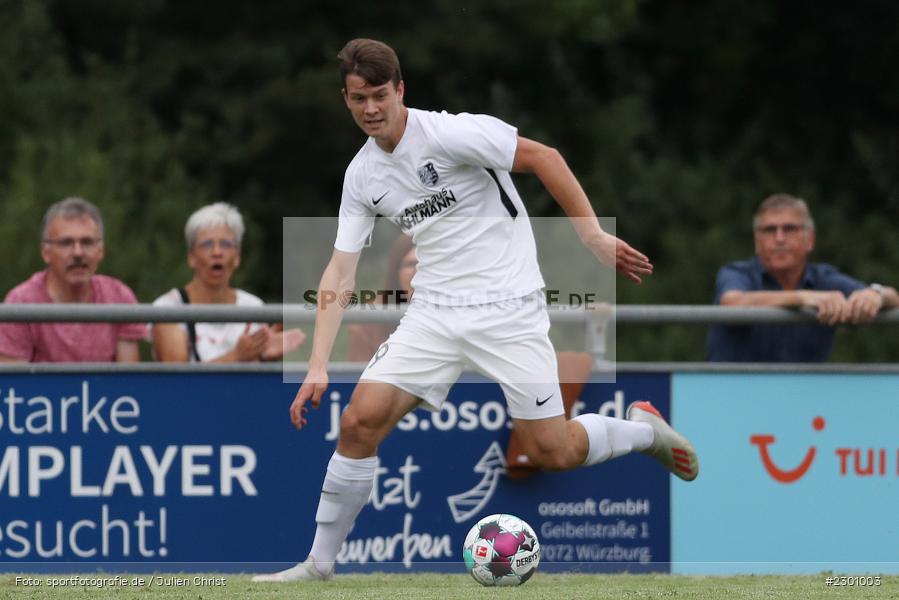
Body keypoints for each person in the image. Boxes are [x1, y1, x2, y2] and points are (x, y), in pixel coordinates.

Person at [253, 38, 698, 583]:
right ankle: (318, 565)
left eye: (378, 96)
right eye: (356, 98)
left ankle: (644, 432)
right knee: (358, 421)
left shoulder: (452, 132)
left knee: (550, 451)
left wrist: (591, 236)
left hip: (509, 309)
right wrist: (318, 363)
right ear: (344, 99)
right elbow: (340, 272)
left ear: (400, 90)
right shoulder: (362, 176)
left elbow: (544, 158)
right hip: (434, 313)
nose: (369, 109)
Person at [707, 193, 899, 362]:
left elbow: (893, 299)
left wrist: (876, 293)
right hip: (734, 396)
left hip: (804, 399)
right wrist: (802, 298)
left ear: (810, 239)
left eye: (789, 229)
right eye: (769, 230)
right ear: (757, 241)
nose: (779, 238)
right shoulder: (737, 273)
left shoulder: (823, 278)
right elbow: (732, 302)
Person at [152, 202, 305, 362]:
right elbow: (178, 383)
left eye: (226, 244)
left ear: (237, 257)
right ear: (191, 257)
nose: (217, 252)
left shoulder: (253, 307)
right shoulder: (167, 308)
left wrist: (262, 356)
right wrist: (235, 357)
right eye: (207, 244)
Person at [0, 197, 146, 362]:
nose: (78, 253)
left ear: (101, 250)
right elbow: (13, 384)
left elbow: (128, 382)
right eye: (66, 243)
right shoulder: (20, 303)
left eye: (87, 242)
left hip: (107, 389)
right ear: (45, 252)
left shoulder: (119, 297)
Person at [345, 234, 415, 361]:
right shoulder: (369, 319)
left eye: (425, 264)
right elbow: (357, 374)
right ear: (396, 272)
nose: (418, 271)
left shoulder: (454, 310)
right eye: (411, 264)